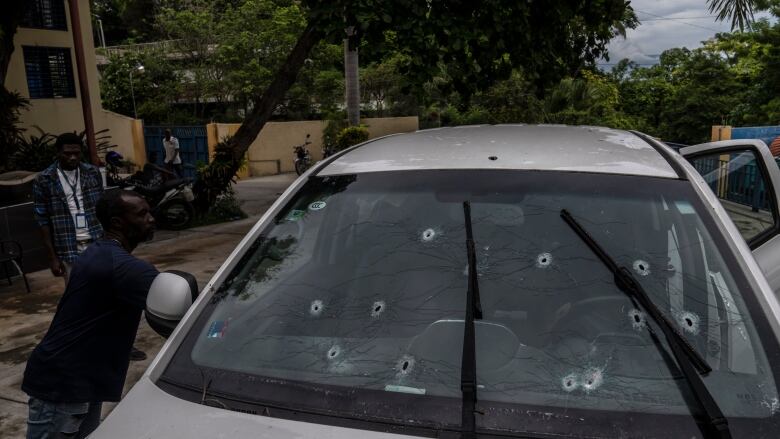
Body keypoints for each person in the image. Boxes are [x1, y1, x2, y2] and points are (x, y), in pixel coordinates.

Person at [22, 190, 159, 439]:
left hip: (81, 380)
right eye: (142, 214)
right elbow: (185, 307)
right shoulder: (126, 268)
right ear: (117, 222)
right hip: (63, 387)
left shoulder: (99, 251)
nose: (151, 218)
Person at [33, 133, 103, 281]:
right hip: (68, 247)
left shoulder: (92, 172)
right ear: (58, 153)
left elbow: (103, 208)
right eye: (67, 154)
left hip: (97, 242)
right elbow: (42, 221)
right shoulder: (44, 179)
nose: (72, 157)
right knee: (77, 296)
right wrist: (52, 257)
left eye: (76, 153)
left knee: (106, 290)